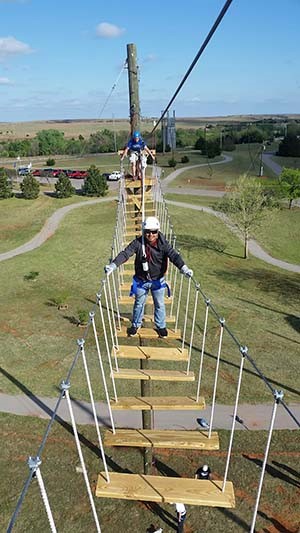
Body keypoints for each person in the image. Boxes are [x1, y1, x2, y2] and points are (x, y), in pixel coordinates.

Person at [104, 216, 193, 337]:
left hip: (158, 281)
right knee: (139, 303)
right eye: (147, 232)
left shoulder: (164, 245)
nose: (151, 235)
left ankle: (161, 326)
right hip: (141, 281)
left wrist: (184, 268)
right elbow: (126, 253)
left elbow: (174, 256)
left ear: (158, 231)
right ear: (143, 232)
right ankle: (136, 324)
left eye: (154, 232)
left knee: (159, 304)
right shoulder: (138, 243)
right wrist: (113, 265)